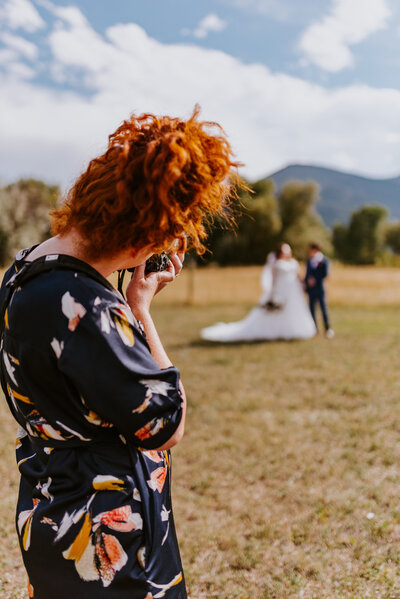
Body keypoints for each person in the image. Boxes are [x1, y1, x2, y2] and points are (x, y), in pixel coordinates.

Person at [0, 108, 238, 599]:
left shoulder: (26, 270)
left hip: (48, 504)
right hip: (105, 532)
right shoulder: (85, 309)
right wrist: (141, 310)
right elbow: (167, 425)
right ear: (145, 233)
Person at [201, 243, 316, 342]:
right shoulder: (276, 263)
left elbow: (298, 276)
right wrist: (272, 295)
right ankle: (277, 330)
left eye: (288, 251)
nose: (287, 253)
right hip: (281, 290)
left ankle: (293, 330)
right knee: (277, 312)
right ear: (279, 252)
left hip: (293, 292)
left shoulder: (293, 262)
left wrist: (303, 285)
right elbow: (274, 280)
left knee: (292, 310)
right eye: (284, 251)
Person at [304, 243, 334, 338]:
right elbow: (307, 274)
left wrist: (315, 280)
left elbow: (325, 274)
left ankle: (327, 329)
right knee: (311, 310)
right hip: (311, 290)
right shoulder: (309, 261)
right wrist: (306, 282)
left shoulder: (324, 261)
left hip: (320, 289)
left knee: (323, 309)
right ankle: (314, 330)